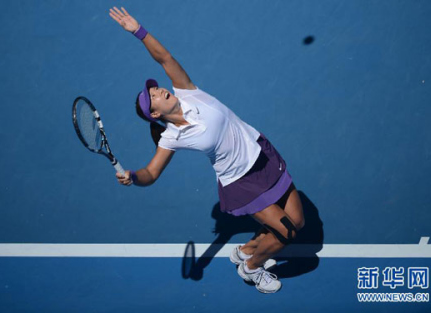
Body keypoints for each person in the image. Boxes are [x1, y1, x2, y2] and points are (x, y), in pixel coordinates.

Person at [109, 6, 305, 294]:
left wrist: (138, 31)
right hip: (242, 182)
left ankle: (246, 250)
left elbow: (164, 58)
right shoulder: (171, 137)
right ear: (155, 114)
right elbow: (151, 172)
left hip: (261, 154)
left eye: (155, 88)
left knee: (298, 222)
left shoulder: (187, 90)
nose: (159, 90)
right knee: (286, 232)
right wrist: (133, 176)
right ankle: (251, 269)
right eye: (153, 96)